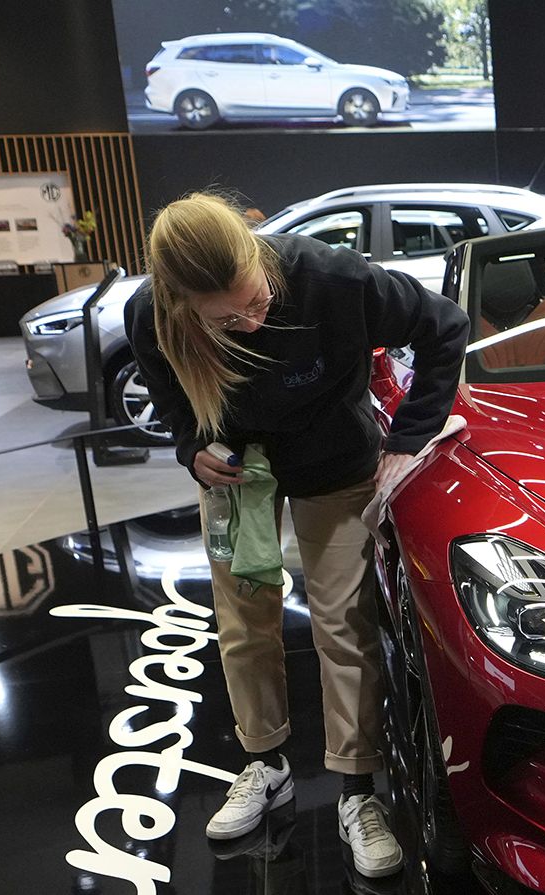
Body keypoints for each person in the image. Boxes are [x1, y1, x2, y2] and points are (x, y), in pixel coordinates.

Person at [124, 193, 469, 877]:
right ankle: (264, 763)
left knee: (344, 620)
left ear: (260, 256)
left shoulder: (336, 279)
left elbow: (444, 327)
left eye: (256, 301)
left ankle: (356, 791)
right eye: (228, 318)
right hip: (235, 474)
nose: (250, 320)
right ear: (183, 301)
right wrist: (189, 444)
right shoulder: (150, 314)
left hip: (334, 464)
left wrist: (409, 436)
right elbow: (165, 388)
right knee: (243, 622)